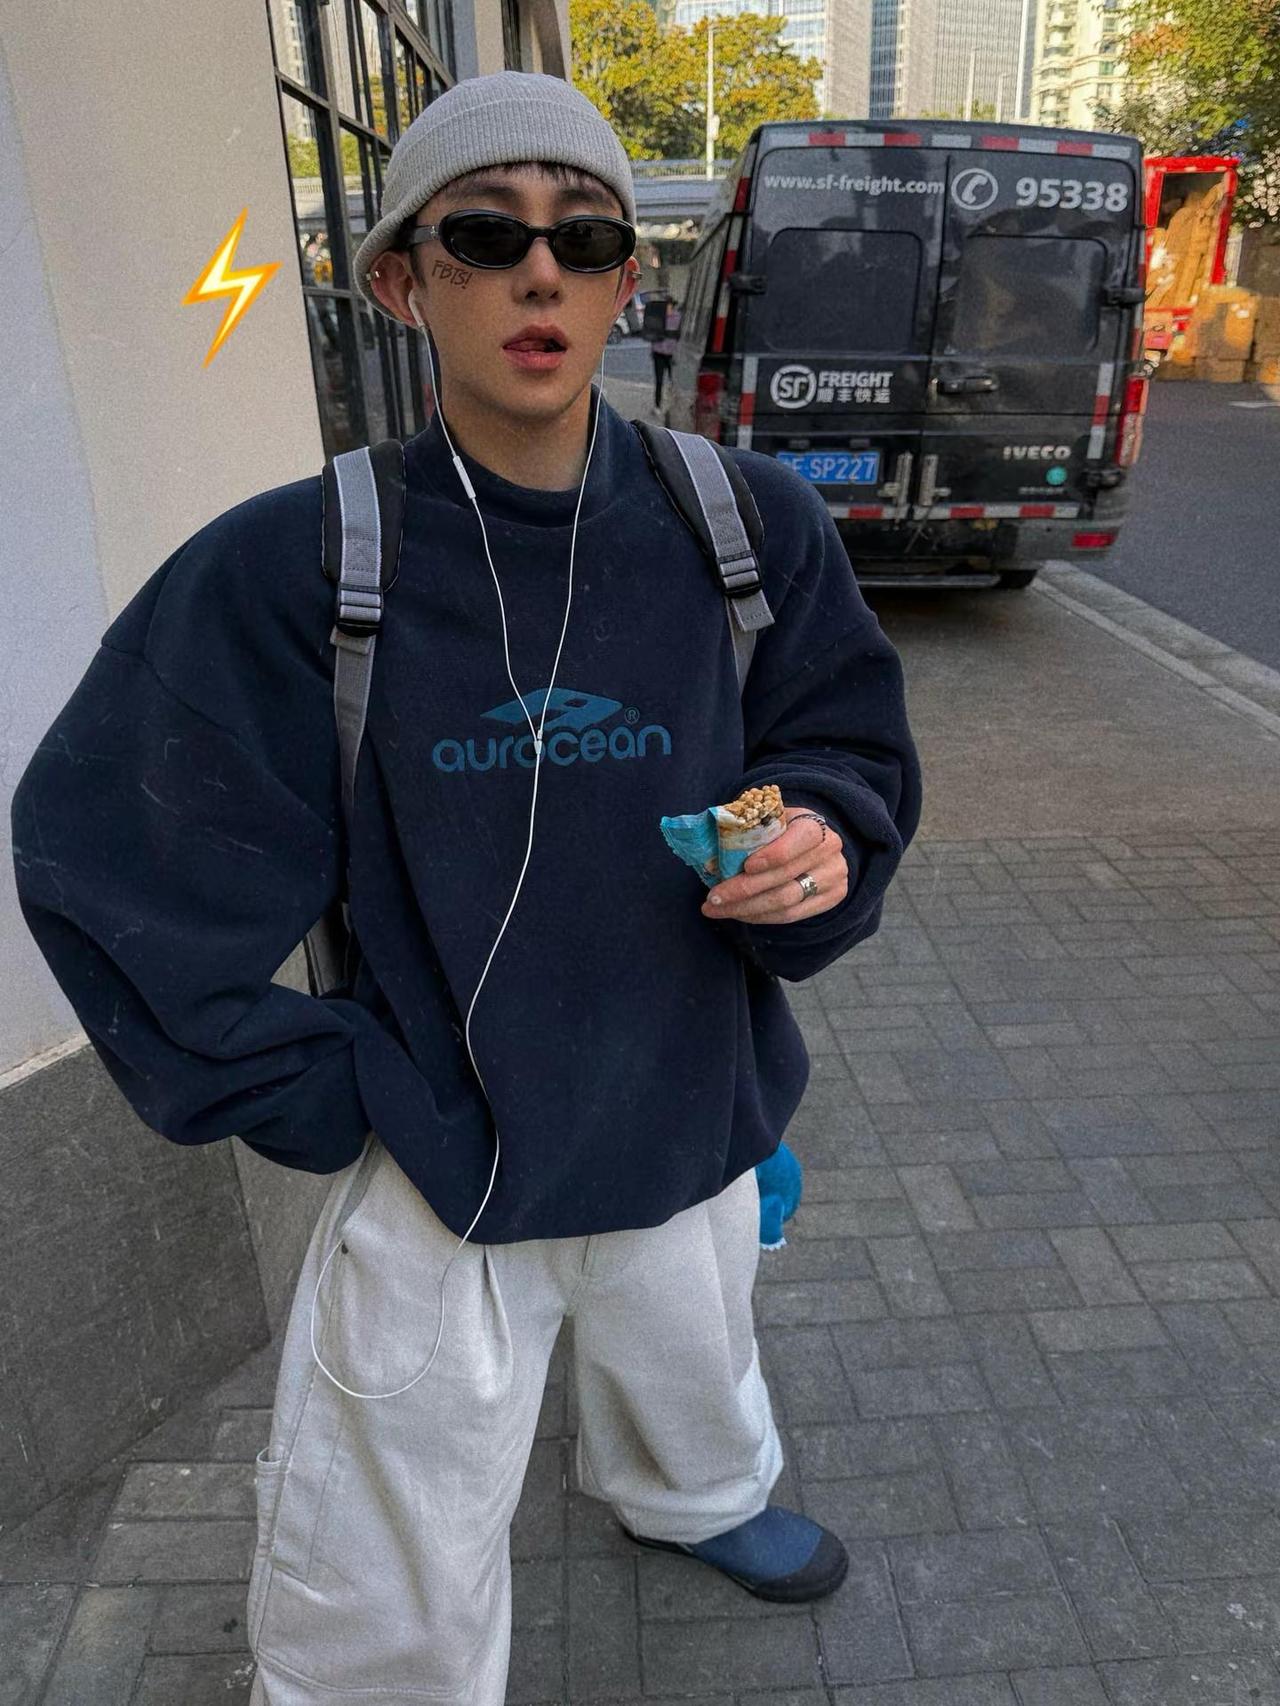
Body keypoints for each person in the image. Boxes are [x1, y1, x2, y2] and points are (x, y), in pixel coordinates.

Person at [10, 70, 922, 1706]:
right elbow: (103, 850)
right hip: (447, 1150)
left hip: (690, 1104)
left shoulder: (747, 525)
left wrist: (825, 839)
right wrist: (321, 1090)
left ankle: (696, 1495)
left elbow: (842, 740)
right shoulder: (303, 563)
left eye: (587, 239)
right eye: (487, 236)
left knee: (695, 1350)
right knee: (390, 1524)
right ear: (401, 282)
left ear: (627, 280)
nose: (540, 274)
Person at [651, 295, 681, 408]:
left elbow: (680, 336)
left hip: (672, 354)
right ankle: (657, 405)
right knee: (659, 381)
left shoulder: (678, 318)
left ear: (671, 306)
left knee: (674, 380)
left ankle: (675, 404)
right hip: (658, 353)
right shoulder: (658, 318)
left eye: (666, 306)